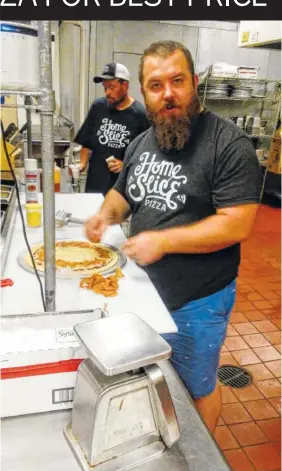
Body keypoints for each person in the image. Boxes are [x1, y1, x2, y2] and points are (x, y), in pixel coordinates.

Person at [84, 41, 261, 433]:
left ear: (194, 83)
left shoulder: (227, 143)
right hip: (143, 292)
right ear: (144, 92)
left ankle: (202, 456)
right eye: (157, 84)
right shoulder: (142, 143)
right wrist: (104, 214)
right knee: (159, 379)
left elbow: (237, 223)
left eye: (177, 81)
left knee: (198, 386)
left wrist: (163, 241)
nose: (168, 94)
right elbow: (123, 193)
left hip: (198, 300)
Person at [74, 62, 149, 194]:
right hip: (94, 185)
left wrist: (124, 165)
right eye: (105, 88)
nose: (107, 92)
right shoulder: (98, 107)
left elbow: (145, 156)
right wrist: (82, 164)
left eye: (112, 87)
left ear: (125, 86)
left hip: (120, 189)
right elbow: (87, 141)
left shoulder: (140, 115)